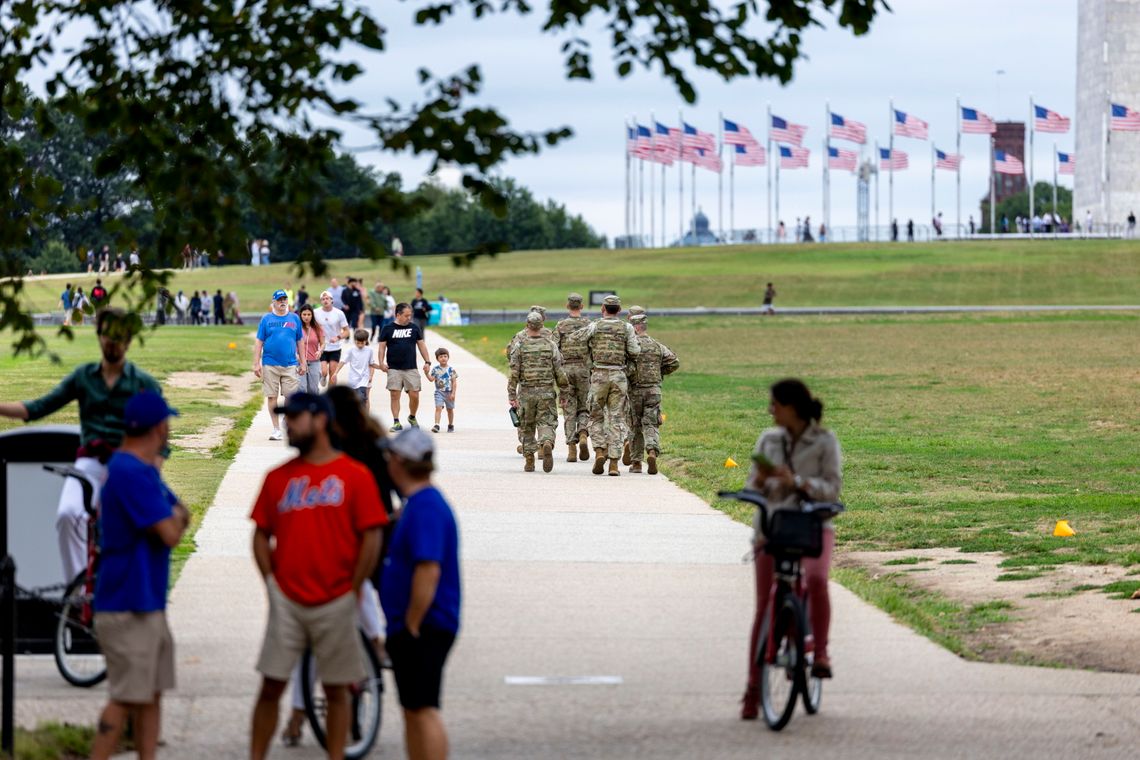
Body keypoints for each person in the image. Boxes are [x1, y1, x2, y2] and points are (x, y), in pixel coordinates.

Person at [248, 392, 387, 760]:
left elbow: (372, 534)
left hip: (337, 600)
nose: (288, 424)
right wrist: (271, 584)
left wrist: (353, 587)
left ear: (320, 420)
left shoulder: (354, 475)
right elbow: (260, 534)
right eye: (286, 417)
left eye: (295, 417)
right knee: (270, 686)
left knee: (338, 689)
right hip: (288, 602)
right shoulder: (277, 478)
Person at [0, 309, 162, 582]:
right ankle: (78, 588)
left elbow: (160, 437)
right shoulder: (84, 377)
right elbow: (37, 408)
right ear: (99, 336)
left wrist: (152, 473)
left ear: (128, 340)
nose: (112, 341)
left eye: (118, 335)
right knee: (67, 515)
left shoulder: (143, 384)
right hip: (89, 462)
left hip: (127, 465)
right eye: (107, 334)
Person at [280, 386, 399, 746]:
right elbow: (393, 494)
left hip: (351, 538)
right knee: (364, 593)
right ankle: (376, 642)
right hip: (374, 533)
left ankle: (297, 716)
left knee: (314, 640)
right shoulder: (375, 442)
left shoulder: (339, 447)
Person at [90, 392, 189, 760]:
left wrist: (174, 517)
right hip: (126, 604)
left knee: (150, 695)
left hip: (147, 602)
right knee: (126, 697)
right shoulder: (130, 472)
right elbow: (172, 530)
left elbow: (180, 513)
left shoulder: (144, 471)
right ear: (158, 427)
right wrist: (174, 517)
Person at [741, 378, 842, 720]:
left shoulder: (824, 441)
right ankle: (753, 688)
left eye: (775, 404)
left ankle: (821, 653)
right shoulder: (768, 439)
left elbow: (833, 488)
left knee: (816, 580)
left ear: (792, 407)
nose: (770, 410)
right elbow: (752, 485)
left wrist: (797, 482)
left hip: (813, 526)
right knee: (764, 606)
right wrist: (760, 482)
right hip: (773, 527)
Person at [380, 428, 460, 760]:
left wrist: (412, 624)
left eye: (389, 457)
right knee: (412, 708)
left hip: (425, 625)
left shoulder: (427, 506)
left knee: (424, 708)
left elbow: (429, 569)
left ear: (400, 462)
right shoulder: (415, 504)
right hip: (411, 624)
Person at [571, 295, 640, 476]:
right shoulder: (627, 327)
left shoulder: (595, 326)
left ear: (603, 308)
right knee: (617, 418)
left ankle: (600, 451)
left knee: (595, 416)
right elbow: (635, 351)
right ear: (619, 310)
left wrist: (590, 347)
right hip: (618, 376)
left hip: (599, 375)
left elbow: (575, 338)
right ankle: (614, 464)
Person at [509, 312, 568, 473]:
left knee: (527, 426)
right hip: (546, 392)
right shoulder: (551, 345)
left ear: (527, 325)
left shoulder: (520, 346)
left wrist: (512, 395)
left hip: (526, 392)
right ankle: (546, 442)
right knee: (547, 422)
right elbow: (559, 371)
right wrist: (564, 392)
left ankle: (529, 459)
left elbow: (514, 373)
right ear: (541, 325)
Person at [625, 314, 679, 475]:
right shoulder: (657, 345)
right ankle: (652, 451)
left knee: (635, 425)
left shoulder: (630, 346)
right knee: (651, 423)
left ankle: (636, 463)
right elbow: (674, 362)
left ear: (634, 327)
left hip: (635, 390)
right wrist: (660, 372)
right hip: (654, 390)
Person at [253, 290, 305, 441]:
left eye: (284, 299)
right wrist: (256, 363)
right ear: (273, 302)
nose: (282, 302)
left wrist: (303, 362)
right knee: (272, 396)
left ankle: (286, 419)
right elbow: (259, 341)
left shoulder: (294, 318)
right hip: (270, 363)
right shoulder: (266, 319)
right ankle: (276, 429)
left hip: (290, 364)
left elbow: (300, 341)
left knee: (291, 396)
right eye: (279, 299)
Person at [377, 303, 432, 432]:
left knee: (415, 395)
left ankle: (412, 417)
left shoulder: (414, 328)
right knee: (394, 395)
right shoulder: (387, 328)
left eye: (410, 315)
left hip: (411, 367)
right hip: (393, 368)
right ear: (398, 315)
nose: (409, 318)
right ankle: (396, 422)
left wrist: (427, 361)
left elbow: (421, 345)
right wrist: (381, 363)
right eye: (406, 315)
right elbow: (382, 347)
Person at [554, 293, 592, 462]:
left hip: (566, 370)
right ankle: (583, 432)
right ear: (581, 306)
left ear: (567, 306)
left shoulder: (561, 325)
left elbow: (554, 348)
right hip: (584, 369)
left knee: (569, 409)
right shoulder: (589, 325)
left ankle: (571, 448)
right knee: (584, 407)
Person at [314, 290, 350, 387]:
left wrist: (338, 337)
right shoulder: (316, 313)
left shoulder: (339, 313)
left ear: (332, 300)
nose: (325, 300)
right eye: (323, 299)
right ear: (321, 301)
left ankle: (330, 394)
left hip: (335, 347)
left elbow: (347, 331)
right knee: (324, 371)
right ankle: (323, 376)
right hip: (322, 347)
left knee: (333, 373)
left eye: (327, 298)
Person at [337, 328, 381, 405]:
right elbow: (343, 361)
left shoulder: (369, 350)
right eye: (358, 343)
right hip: (353, 379)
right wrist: (335, 373)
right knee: (353, 399)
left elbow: (371, 363)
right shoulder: (351, 350)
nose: (360, 345)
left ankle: (362, 411)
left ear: (366, 341)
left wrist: (381, 367)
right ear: (355, 341)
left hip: (364, 379)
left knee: (362, 397)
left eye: (362, 343)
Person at [427, 348, 458, 433]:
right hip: (439, 392)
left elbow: (454, 382)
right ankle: (436, 425)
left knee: (450, 409)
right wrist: (426, 373)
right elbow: (431, 379)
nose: (443, 358)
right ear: (437, 359)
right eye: (441, 357)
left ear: (448, 357)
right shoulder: (435, 369)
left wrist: (453, 393)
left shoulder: (451, 369)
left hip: (449, 393)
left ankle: (450, 425)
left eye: (445, 356)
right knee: (438, 408)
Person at [298, 304, 325, 394]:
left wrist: (320, 351)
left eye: (309, 314)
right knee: (302, 388)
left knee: (313, 390)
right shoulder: (296, 328)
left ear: (312, 315)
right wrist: (296, 355)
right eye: (304, 314)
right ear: (300, 315)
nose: (306, 317)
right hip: (299, 362)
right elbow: (291, 344)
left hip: (314, 362)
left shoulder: (318, 328)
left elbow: (323, 343)